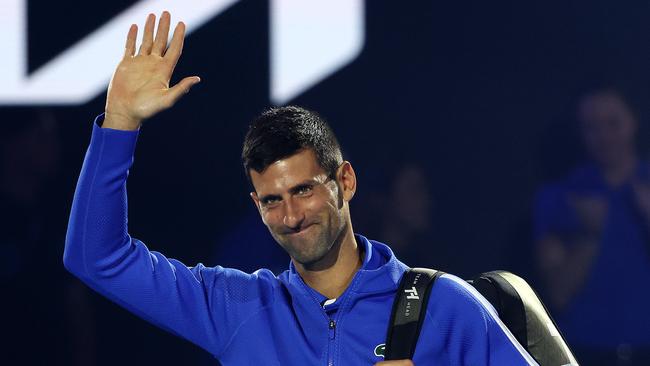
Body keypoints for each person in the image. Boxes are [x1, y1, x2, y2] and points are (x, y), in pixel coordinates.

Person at [63, 11, 537, 365]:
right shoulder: (235, 306)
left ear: (344, 182)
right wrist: (120, 122)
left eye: (304, 191)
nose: (290, 216)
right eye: (272, 200)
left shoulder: (444, 305)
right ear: (256, 204)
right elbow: (96, 257)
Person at [534, 87, 650, 364]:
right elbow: (558, 295)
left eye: (613, 123)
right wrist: (589, 234)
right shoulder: (558, 197)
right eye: (592, 127)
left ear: (634, 120)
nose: (605, 137)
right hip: (586, 352)